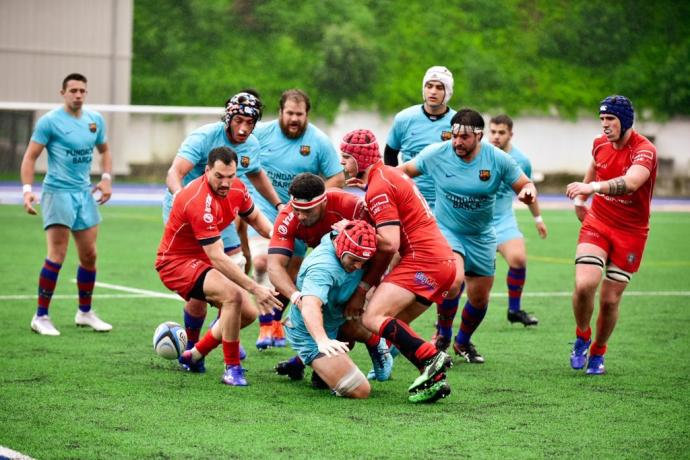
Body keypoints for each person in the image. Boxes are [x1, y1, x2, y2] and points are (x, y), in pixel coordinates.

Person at [400, 109, 537, 363]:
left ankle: (462, 342)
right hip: (446, 229)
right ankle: (442, 335)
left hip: (482, 235)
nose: (457, 142)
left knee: (479, 297)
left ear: (478, 136)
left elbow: (525, 184)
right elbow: (403, 171)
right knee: (453, 280)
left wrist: (528, 193)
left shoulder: (497, 159)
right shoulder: (437, 153)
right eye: (454, 136)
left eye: (463, 137)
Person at [164, 91, 283, 372]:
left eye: (249, 123)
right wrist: (184, 200)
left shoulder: (250, 145)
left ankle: (221, 332)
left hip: (221, 210)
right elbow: (174, 173)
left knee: (236, 267)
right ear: (228, 118)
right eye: (238, 121)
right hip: (188, 213)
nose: (243, 128)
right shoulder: (204, 137)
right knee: (201, 288)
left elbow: (255, 173)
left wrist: (278, 205)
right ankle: (194, 351)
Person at [341, 129, 455, 404]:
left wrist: (350, 228)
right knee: (395, 324)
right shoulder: (387, 175)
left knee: (371, 318)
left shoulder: (379, 187)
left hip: (423, 260)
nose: (342, 164)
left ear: (358, 158)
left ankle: (431, 356)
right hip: (443, 263)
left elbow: (390, 243)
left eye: (345, 157)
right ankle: (433, 379)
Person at [268, 173, 392, 385]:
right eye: (297, 210)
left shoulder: (351, 206)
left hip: (358, 265)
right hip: (327, 265)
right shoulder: (289, 217)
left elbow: (386, 247)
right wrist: (296, 296)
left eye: (307, 211)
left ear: (323, 201)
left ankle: (376, 343)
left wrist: (363, 290)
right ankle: (305, 361)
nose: (301, 216)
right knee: (321, 313)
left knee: (349, 321)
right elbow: (274, 266)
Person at [245, 89, 345, 350]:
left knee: (293, 271)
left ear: (306, 115)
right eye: (289, 113)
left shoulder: (319, 141)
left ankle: (273, 320)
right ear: (280, 112)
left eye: (299, 114)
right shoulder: (262, 135)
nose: (294, 119)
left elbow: (337, 178)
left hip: (301, 214)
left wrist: (315, 199)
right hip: (265, 208)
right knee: (262, 260)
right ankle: (265, 321)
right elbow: (245, 163)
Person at [565, 95, 657, 375]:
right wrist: (582, 199)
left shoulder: (645, 150)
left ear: (626, 121)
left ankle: (598, 351)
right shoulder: (599, 143)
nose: (605, 125)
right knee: (584, 285)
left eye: (611, 119)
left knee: (609, 300)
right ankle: (582, 335)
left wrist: (593, 189)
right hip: (598, 222)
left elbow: (631, 183)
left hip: (631, 232)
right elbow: (594, 168)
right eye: (602, 119)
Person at [21, 73, 113, 336]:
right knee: (57, 255)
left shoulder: (95, 121)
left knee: (90, 255)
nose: (78, 95)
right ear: (63, 93)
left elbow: (105, 151)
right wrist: (28, 191)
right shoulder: (49, 122)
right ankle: (41, 316)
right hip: (57, 192)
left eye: (82, 90)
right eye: (73, 90)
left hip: (84, 194)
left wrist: (106, 179)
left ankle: (85, 313)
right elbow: (30, 157)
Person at [283, 220, 378, 399]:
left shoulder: (350, 239)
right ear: (340, 248)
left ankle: (303, 366)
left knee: (376, 314)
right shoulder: (322, 267)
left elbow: (388, 246)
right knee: (360, 390)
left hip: (336, 322)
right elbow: (310, 305)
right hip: (309, 333)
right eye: (354, 260)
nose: (358, 266)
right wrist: (322, 340)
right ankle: (311, 358)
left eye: (363, 261)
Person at [488, 114, 547, 326]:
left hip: (504, 220)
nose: (496, 136)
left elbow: (529, 189)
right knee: (464, 275)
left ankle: (514, 310)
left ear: (510, 134)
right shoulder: (478, 154)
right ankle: (444, 322)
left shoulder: (521, 161)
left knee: (518, 259)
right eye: (493, 131)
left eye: (501, 132)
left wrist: (538, 218)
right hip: (478, 223)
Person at [384, 65, 456, 210]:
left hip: (446, 200)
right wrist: (395, 185)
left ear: (447, 92)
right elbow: (390, 153)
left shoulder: (458, 122)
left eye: (439, 87)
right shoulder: (404, 118)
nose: (433, 91)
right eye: (429, 86)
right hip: (410, 197)